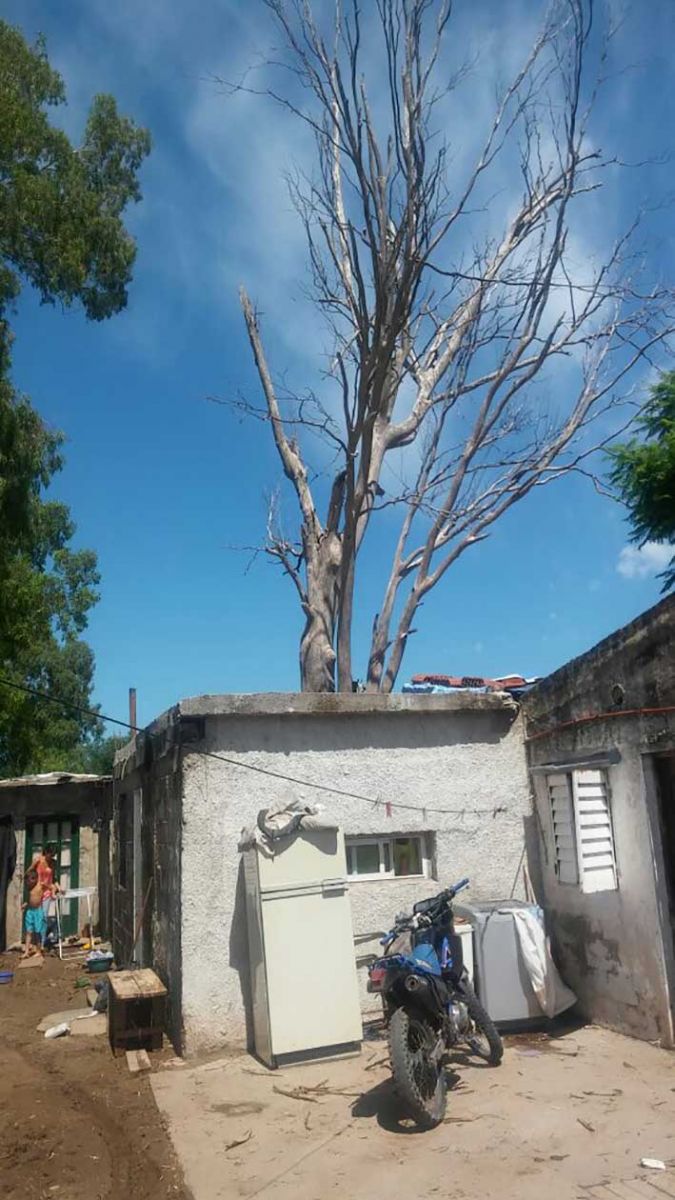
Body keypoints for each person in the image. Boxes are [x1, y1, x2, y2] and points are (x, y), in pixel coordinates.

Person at [22, 867, 46, 957]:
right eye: (27, 881)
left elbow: (51, 886)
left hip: (38, 911)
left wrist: (54, 892)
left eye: (30, 880)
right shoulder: (29, 887)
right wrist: (25, 904)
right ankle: (26, 952)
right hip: (30, 911)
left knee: (37, 931)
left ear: (35, 879)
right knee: (28, 931)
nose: (29, 883)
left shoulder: (40, 885)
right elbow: (30, 899)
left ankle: (39, 951)